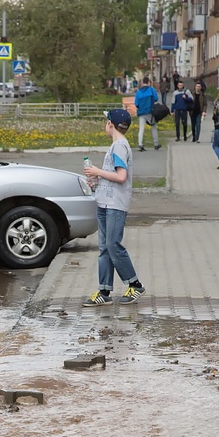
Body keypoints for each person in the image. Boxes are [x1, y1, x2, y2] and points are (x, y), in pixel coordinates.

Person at [82, 109, 146, 307]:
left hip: (115, 204)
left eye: (106, 120)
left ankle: (135, 285)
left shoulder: (119, 146)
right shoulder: (116, 146)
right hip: (105, 201)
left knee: (112, 245)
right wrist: (96, 178)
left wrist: (98, 171)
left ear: (111, 124)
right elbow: (113, 175)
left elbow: (121, 176)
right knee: (105, 248)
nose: (105, 124)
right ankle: (104, 290)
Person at [134, 76, 160, 152]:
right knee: (153, 127)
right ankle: (156, 144)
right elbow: (156, 99)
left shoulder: (138, 92)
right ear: (149, 82)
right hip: (150, 112)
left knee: (141, 129)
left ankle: (140, 144)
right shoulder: (152, 90)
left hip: (141, 112)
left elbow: (136, 104)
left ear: (142, 83)